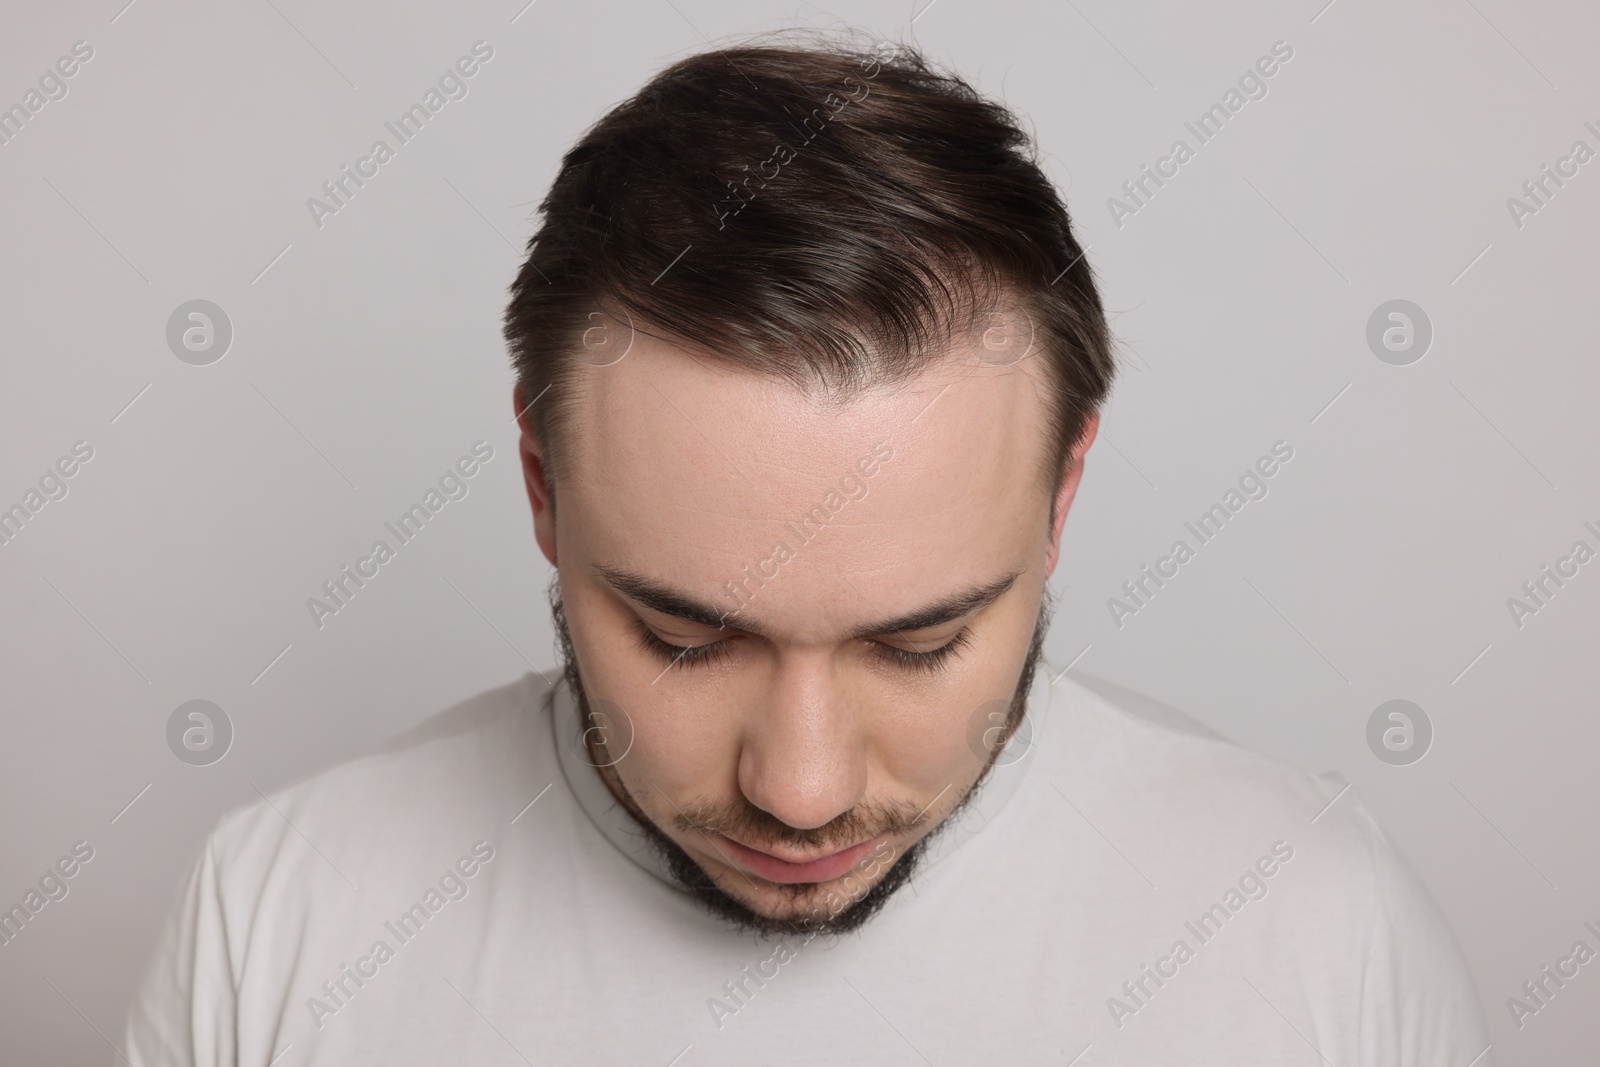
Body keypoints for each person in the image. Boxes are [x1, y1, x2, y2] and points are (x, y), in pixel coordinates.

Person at [123, 30, 1493, 1065]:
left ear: (1063, 498)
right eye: (682, 637)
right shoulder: (283, 922)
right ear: (542, 488)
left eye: (920, 643)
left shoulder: (1312, 935)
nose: (799, 790)